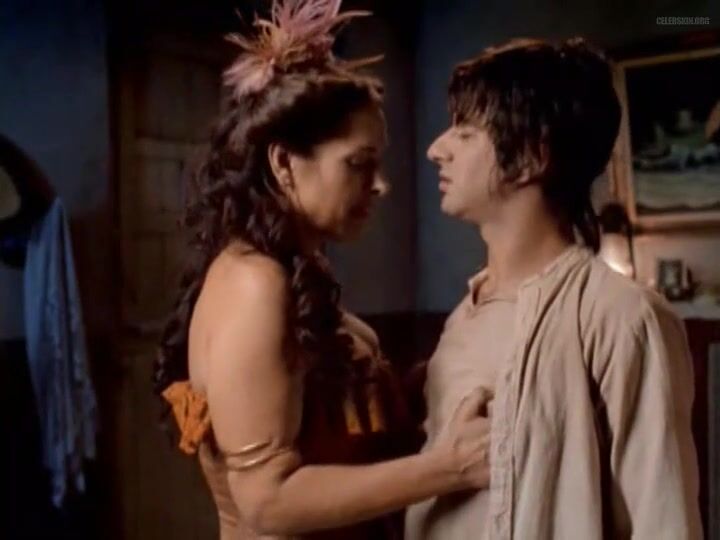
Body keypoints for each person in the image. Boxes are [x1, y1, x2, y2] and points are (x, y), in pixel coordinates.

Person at [154, 1, 492, 538]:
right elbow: (267, 500)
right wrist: (447, 468)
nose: (379, 186)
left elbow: (330, 425)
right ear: (284, 163)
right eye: (359, 164)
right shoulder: (254, 284)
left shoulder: (285, 272)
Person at [405, 37, 702, 539]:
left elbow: (663, 519)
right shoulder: (463, 317)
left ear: (531, 157)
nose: (437, 149)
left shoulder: (622, 316)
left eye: (466, 132)